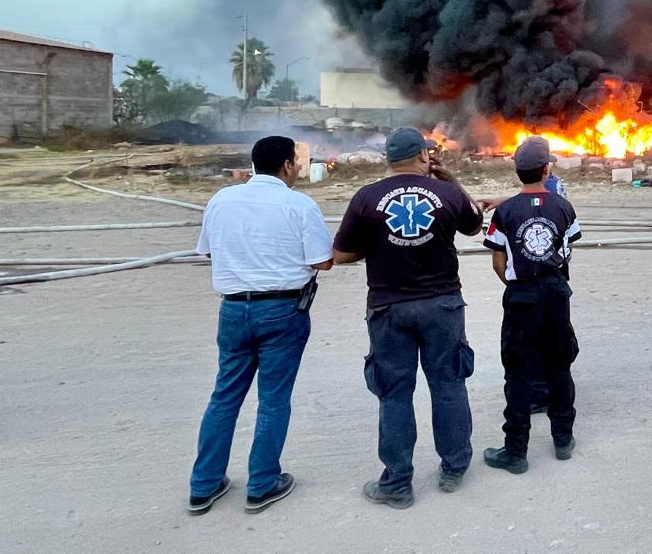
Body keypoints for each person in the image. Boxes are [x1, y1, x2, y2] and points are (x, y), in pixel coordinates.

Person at [332, 127, 483, 509]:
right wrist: (450, 180)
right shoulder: (447, 193)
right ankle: (453, 469)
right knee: (448, 385)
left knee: (394, 394)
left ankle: (397, 483)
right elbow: (473, 225)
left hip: (388, 309)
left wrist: (377, 246)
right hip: (442, 306)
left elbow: (342, 254)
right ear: (422, 156)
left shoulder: (366, 197)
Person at [189, 135, 334, 515]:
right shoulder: (299, 205)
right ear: (287, 165)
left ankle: (204, 485)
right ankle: (262, 483)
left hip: (234, 311)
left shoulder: (221, 199)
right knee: (273, 399)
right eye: (297, 162)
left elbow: (205, 250)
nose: (300, 168)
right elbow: (323, 260)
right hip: (283, 312)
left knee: (224, 396)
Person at [480, 137, 581, 474]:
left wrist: (518, 285)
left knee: (519, 371)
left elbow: (497, 262)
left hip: (522, 296)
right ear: (547, 169)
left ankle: (516, 451)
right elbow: (568, 251)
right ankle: (563, 439)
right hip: (556, 294)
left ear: (517, 171)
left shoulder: (505, 212)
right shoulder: (563, 207)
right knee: (559, 364)